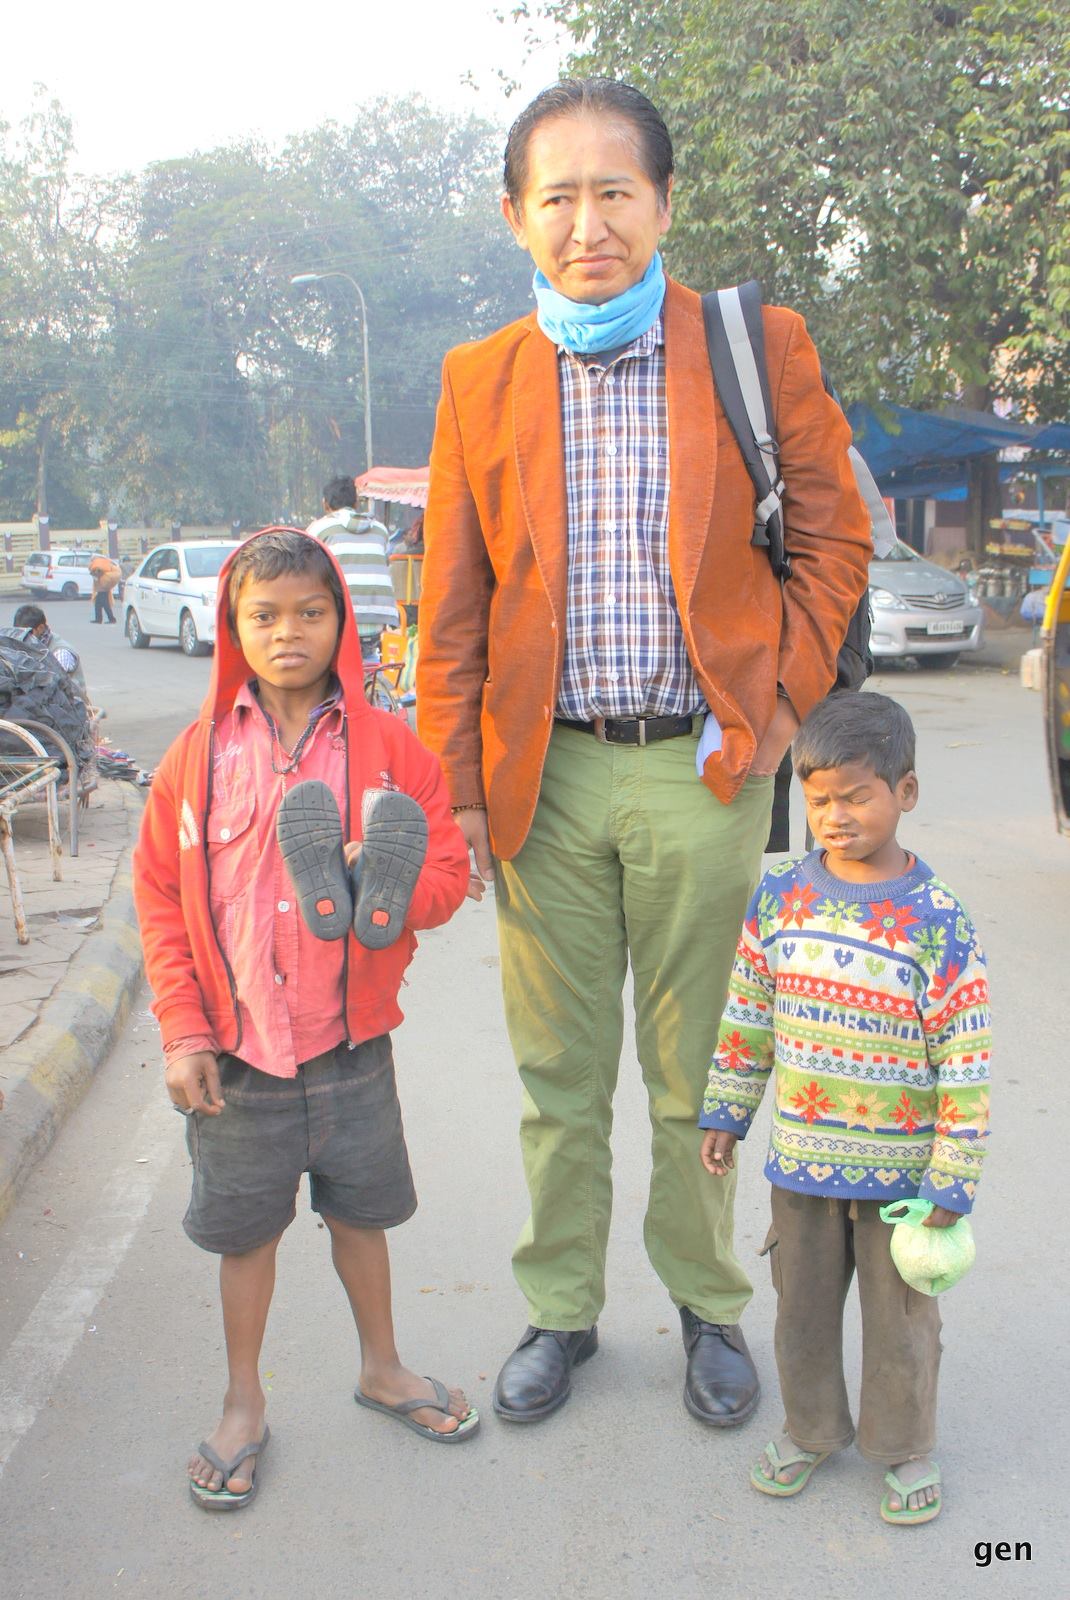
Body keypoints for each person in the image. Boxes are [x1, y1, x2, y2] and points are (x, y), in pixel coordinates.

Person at [416, 77, 872, 1425]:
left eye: (615, 190)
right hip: (540, 780)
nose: (588, 221)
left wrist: (779, 712)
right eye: (557, 195)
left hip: (702, 769)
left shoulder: (751, 344)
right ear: (516, 218)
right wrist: (448, 798)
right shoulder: (478, 379)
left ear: (663, 204)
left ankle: (704, 1304)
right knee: (558, 1080)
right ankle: (561, 1308)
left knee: (700, 1075)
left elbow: (835, 537)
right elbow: (447, 609)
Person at [132, 528, 474, 1511]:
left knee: (360, 1216)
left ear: (342, 623)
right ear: (232, 627)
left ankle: (383, 1366)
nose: (290, 633)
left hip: (348, 1038)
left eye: (311, 613)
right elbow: (160, 893)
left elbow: (449, 871)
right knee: (249, 1234)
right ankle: (242, 1401)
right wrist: (182, 1029)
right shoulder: (196, 759)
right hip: (239, 1051)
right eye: (266, 615)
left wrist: (400, 890)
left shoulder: (388, 746)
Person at [700, 691, 990, 1525]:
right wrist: (728, 1110)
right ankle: (810, 1429)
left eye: (856, 795)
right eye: (818, 799)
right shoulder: (782, 898)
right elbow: (749, 1009)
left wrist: (952, 1177)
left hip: (903, 1178)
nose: (834, 816)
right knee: (801, 1310)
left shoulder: (936, 922)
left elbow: (967, 1057)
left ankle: (902, 1447)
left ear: (905, 792)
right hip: (803, 1163)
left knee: (900, 1324)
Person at [307, 476, 398, 661]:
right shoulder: (380, 530)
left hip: (341, 619)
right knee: (368, 658)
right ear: (356, 502)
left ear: (325, 504)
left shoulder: (319, 529)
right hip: (377, 619)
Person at [12, 603, 87, 695]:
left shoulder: (61, 651)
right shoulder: (27, 644)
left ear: (40, 628)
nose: (22, 637)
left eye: (26, 633)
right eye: (19, 632)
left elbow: (54, 682)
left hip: (70, 705)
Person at [88, 554, 121, 623]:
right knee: (98, 605)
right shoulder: (101, 565)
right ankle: (98, 619)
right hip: (101, 589)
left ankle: (112, 619)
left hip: (102, 589)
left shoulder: (99, 567)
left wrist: (93, 573)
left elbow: (98, 574)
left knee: (106, 605)